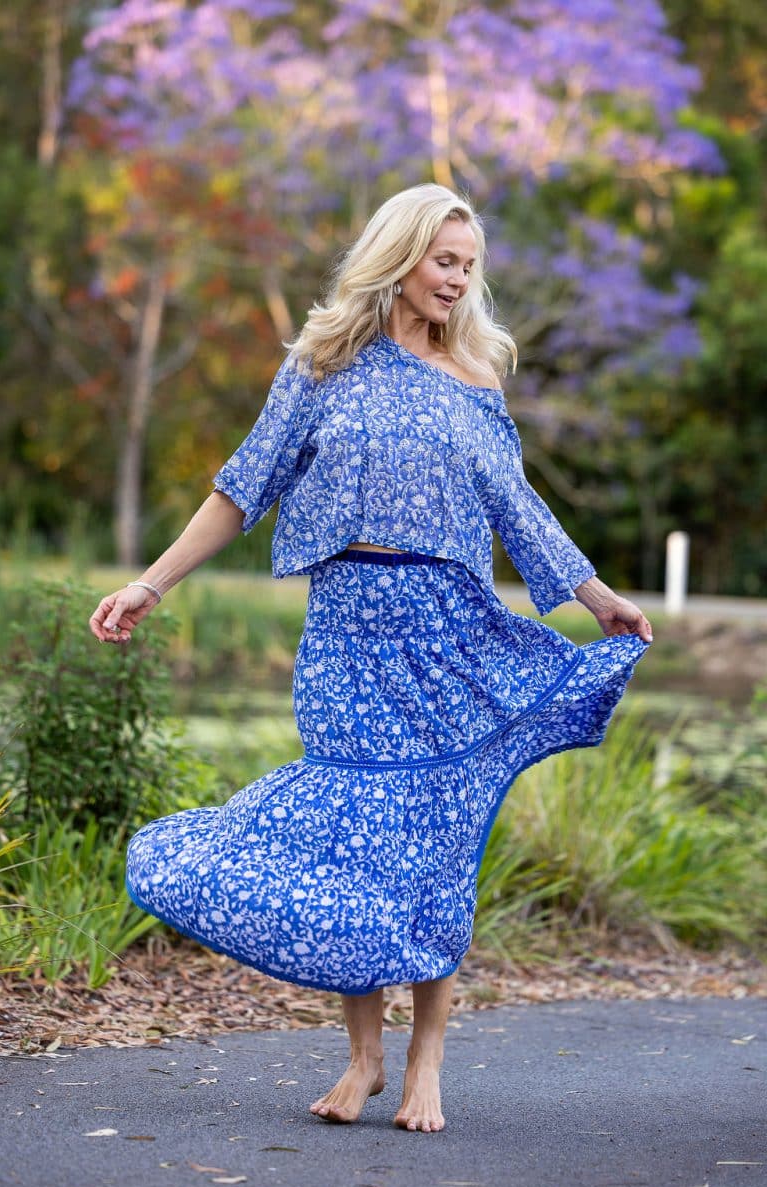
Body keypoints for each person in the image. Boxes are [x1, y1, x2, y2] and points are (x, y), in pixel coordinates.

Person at [90, 183, 651, 1134]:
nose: (460, 278)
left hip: (449, 630)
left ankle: (427, 1060)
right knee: (354, 837)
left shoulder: (477, 377)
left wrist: (597, 598)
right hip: (347, 630)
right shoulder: (323, 364)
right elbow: (241, 488)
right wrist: (153, 582)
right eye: (446, 260)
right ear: (401, 257)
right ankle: (361, 1060)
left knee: (432, 840)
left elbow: (520, 509)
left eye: (470, 264)